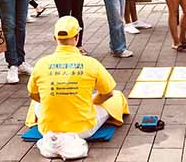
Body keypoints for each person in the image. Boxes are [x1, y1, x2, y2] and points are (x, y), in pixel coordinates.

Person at [27, 16, 129, 159]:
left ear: (54, 38)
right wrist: (92, 101)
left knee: (36, 102)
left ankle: (55, 134)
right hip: (82, 128)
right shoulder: (90, 63)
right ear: (77, 37)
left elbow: (33, 94)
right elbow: (108, 93)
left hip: (48, 127)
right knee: (117, 96)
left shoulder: (41, 63)